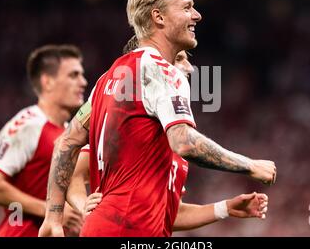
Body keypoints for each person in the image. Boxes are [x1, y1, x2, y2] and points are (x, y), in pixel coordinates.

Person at [39, 0, 276, 237]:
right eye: (186, 7)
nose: (196, 15)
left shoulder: (109, 79)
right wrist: (250, 165)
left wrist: (53, 216)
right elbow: (184, 142)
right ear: (158, 17)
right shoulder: (161, 71)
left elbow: (67, 143)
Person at [67, 48, 269, 237]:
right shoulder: (129, 130)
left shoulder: (169, 136)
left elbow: (170, 213)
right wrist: (81, 204)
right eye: (180, 59)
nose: (189, 68)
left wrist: (225, 208)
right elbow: (71, 171)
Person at [0, 45, 87, 237]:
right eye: (73, 75)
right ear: (48, 82)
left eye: (81, 75)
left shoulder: (71, 134)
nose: (83, 82)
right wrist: (51, 210)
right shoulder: (29, 124)